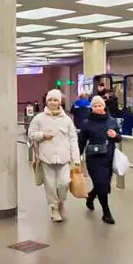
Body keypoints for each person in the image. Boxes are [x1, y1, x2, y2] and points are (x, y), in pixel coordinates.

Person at [28, 89, 81, 222]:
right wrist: (42, 135)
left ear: (60, 102)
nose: (53, 102)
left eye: (55, 100)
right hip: (47, 158)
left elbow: (73, 139)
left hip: (64, 158)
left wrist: (76, 158)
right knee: (50, 185)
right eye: (50, 100)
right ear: (46, 101)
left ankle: (61, 201)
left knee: (63, 183)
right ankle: (54, 208)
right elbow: (31, 133)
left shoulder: (67, 120)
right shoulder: (39, 118)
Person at [77, 95, 121, 224]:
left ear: (104, 106)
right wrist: (77, 157)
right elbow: (81, 141)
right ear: (92, 108)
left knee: (104, 184)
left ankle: (91, 196)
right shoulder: (86, 123)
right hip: (94, 159)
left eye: (99, 105)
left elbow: (119, 137)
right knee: (101, 185)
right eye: (95, 106)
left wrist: (115, 135)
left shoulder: (111, 121)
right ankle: (106, 212)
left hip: (108, 157)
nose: (97, 108)